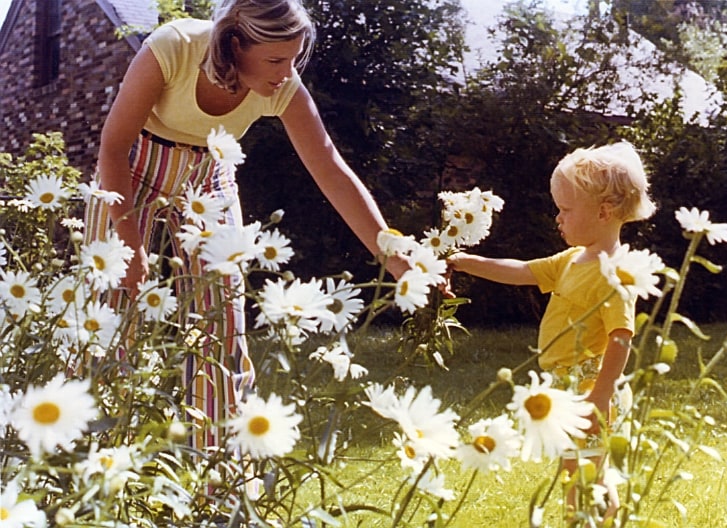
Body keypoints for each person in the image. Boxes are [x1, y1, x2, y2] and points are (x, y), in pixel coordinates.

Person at [83, 0, 406, 451]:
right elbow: (113, 147)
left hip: (208, 175)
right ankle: (96, 465)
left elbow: (331, 169)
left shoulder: (282, 86)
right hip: (132, 163)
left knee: (222, 326)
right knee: (110, 314)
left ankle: (221, 492)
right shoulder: (173, 47)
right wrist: (131, 247)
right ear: (234, 44)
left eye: (294, 58)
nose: (286, 72)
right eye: (275, 59)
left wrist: (393, 255)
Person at [446, 141, 656, 517]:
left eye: (565, 210)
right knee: (581, 469)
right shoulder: (573, 259)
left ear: (604, 211)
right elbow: (524, 271)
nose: (557, 218)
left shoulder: (614, 274)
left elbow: (621, 337)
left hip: (589, 388)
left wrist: (601, 394)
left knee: (582, 473)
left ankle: (589, 520)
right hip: (565, 385)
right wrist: (467, 262)